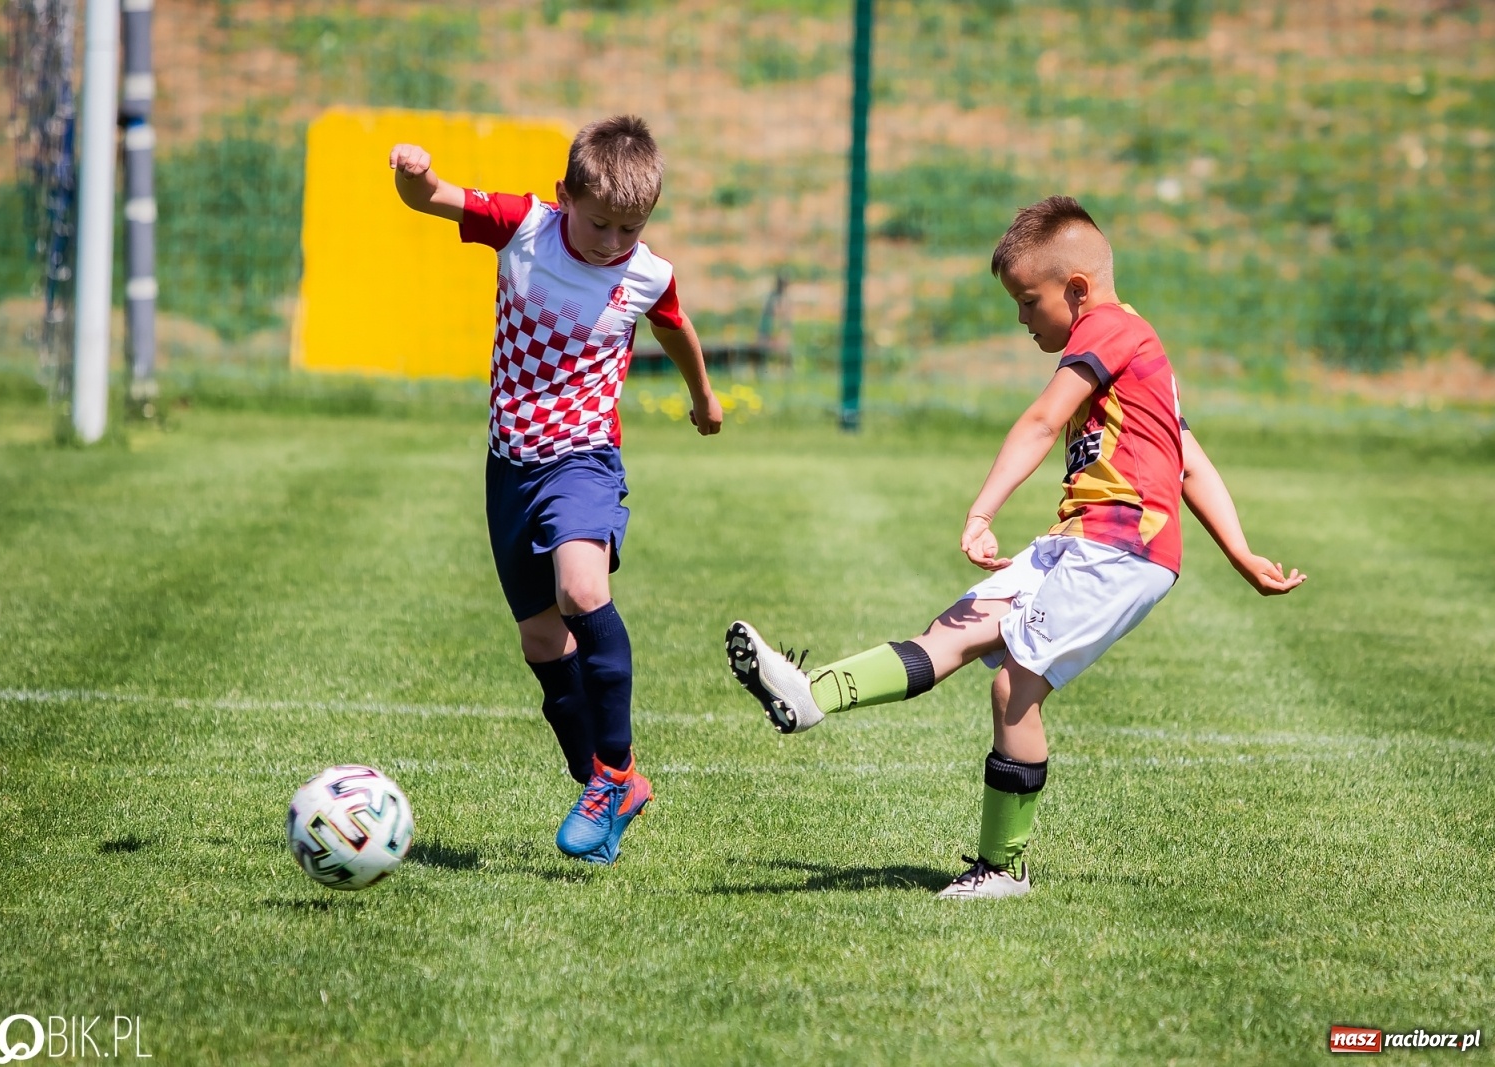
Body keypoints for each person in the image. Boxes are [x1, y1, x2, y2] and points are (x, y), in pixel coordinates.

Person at [726, 195, 1305, 899]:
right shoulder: (1132, 354)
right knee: (950, 632)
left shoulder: (1116, 330)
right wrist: (1240, 552)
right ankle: (809, 695)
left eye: (1029, 301)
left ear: (1079, 290)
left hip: (1122, 550)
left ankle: (1002, 869)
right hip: (1077, 542)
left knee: (1015, 685)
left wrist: (982, 508)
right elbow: (1187, 455)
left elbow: (1041, 420)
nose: (1022, 318)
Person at [390, 115, 723, 863]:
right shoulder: (523, 227)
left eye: (630, 228)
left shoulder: (648, 273)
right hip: (509, 464)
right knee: (542, 637)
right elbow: (435, 197)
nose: (612, 242)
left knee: (582, 588)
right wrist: (412, 175)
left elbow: (675, 327)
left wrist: (703, 395)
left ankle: (614, 769)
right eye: (600, 222)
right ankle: (605, 785)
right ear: (563, 194)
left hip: (583, 459)